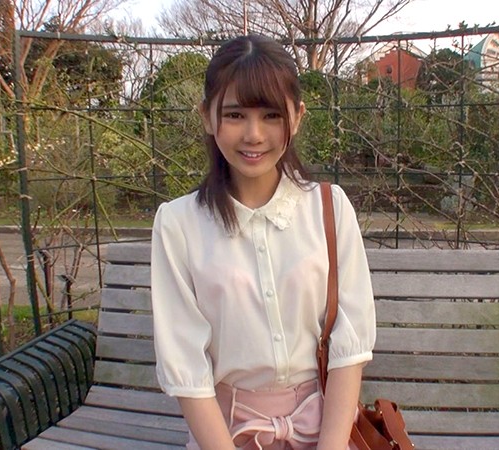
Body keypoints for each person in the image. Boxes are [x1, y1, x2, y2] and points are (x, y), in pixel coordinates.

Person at [151, 34, 376, 450]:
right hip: (226, 435)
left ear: (297, 116)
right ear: (207, 116)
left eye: (272, 115)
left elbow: (350, 347)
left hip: (325, 430)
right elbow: (186, 366)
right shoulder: (178, 224)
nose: (254, 135)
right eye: (235, 115)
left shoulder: (330, 207)